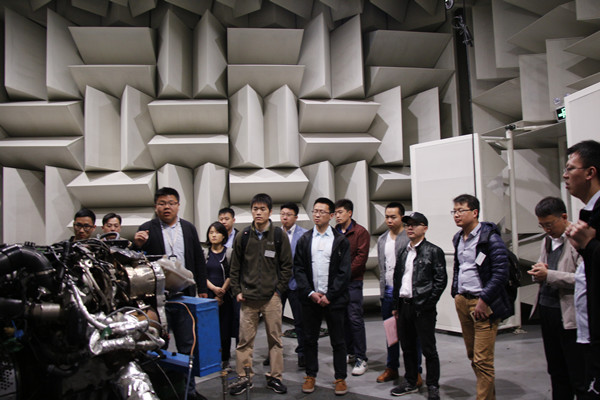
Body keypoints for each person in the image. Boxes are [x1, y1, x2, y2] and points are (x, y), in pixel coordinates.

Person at [133, 187, 208, 400]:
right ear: (156, 206)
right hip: (157, 299)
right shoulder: (146, 229)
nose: (167, 207)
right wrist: (137, 245)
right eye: (162, 203)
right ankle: (161, 390)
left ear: (178, 205)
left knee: (187, 345)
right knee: (157, 345)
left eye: (171, 203)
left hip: (185, 296)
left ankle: (189, 391)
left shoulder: (189, 228)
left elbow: (198, 260)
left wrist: (202, 289)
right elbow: (137, 262)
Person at [228, 193, 292, 396]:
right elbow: (235, 267)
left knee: (275, 340)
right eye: (255, 209)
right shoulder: (244, 236)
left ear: (269, 212)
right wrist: (237, 291)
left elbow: (287, 266)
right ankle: (244, 378)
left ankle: (275, 377)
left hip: (271, 298)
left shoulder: (279, 236)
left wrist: (278, 290)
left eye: (262, 209)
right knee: (245, 341)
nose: (258, 212)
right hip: (248, 299)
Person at [450, 194, 511, 400]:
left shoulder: (490, 238)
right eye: (454, 211)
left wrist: (484, 300)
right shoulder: (458, 238)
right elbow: (459, 267)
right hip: (463, 300)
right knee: (473, 356)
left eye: (461, 210)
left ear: (474, 212)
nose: (456, 215)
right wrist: (456, 293)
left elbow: (501, 273)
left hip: (483, 303)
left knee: (482, 359)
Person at [528, 197, 585, 399]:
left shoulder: (579, 240)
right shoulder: (547, 240)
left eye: (550, 224)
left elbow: (584, 278)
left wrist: (549, 275)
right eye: (542, 225)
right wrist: (538, 271)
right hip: (547, 310)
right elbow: (543, 266)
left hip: (569, 316)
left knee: (576, 371)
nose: (547, 229)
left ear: (564, 217)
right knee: (555, 368)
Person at [294, 197, 351, 396]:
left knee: (338, 340)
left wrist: (330, 295)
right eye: (315, 211)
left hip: (334, 300)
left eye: (322, 212)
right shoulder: (305, 239)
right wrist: (310, 293)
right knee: (310, 339)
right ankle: (310, 375)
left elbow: (344, 272)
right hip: (311, 300)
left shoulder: (340, 241)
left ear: (331, 215)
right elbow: (298, 269)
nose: (317, 215)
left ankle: (340, 378)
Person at [390, 212, 446, 399]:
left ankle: (433, 385)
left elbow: (440, 281)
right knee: (407, 347)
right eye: (408, 225)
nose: (410, 228)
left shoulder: (433, 251)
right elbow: (398, 280)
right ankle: (411, 381)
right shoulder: (404, 252)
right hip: (404, 306)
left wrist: (428, 304)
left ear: (425, 228)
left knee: (429, 349)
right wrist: (396, 305)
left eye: (415, 224)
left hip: (423, 307)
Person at [563, 140, 600, 397]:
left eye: (570, 168)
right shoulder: (589, 212)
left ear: (590, 172)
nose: (565, 175)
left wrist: (589, 245)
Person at [377, 202, 423, 385]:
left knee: (412, 335)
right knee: (391, 334)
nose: (389, 220)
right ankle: (392, 367)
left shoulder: (409, 238)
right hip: (388, 293)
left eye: (393, 217)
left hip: (406, 295)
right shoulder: (382, 239)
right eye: (387, 217)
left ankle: (416, 370)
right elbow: (382, 268)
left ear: (402, 218)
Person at [334, 198, 370, 376]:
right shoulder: (334, 232)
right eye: (335, 213)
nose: (337, 216)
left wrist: (343, 274)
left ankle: (361, 357)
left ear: (349, 213)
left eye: (340, 212)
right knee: (342, 320)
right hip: (338, 284)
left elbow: (360, 259)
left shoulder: (360, 232)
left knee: (355, 319)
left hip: (353, 282)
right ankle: (350, 352)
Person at [279, 202, 308, 368]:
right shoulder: (274, 234)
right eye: (282, 214)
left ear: (296, 217)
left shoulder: (304, 235)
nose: (285, 217)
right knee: (274, 322)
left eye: (288, 214)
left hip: (296, 285)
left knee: (300, 322)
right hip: (278, 286)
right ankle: (274, 352)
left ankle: (302, 353)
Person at [203, 221, 236, 369]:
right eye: (211, 232)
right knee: (209, 329)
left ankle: (225, 359)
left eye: (217, 232)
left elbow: (232, 274)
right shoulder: (205, 253)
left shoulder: (229, 253)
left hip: (225, 296)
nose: (214, 235)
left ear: (223, 236)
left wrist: (221, 291)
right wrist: (214, 289)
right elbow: (201, 274)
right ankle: (211, 358)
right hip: (208, 296)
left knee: (225, 330)